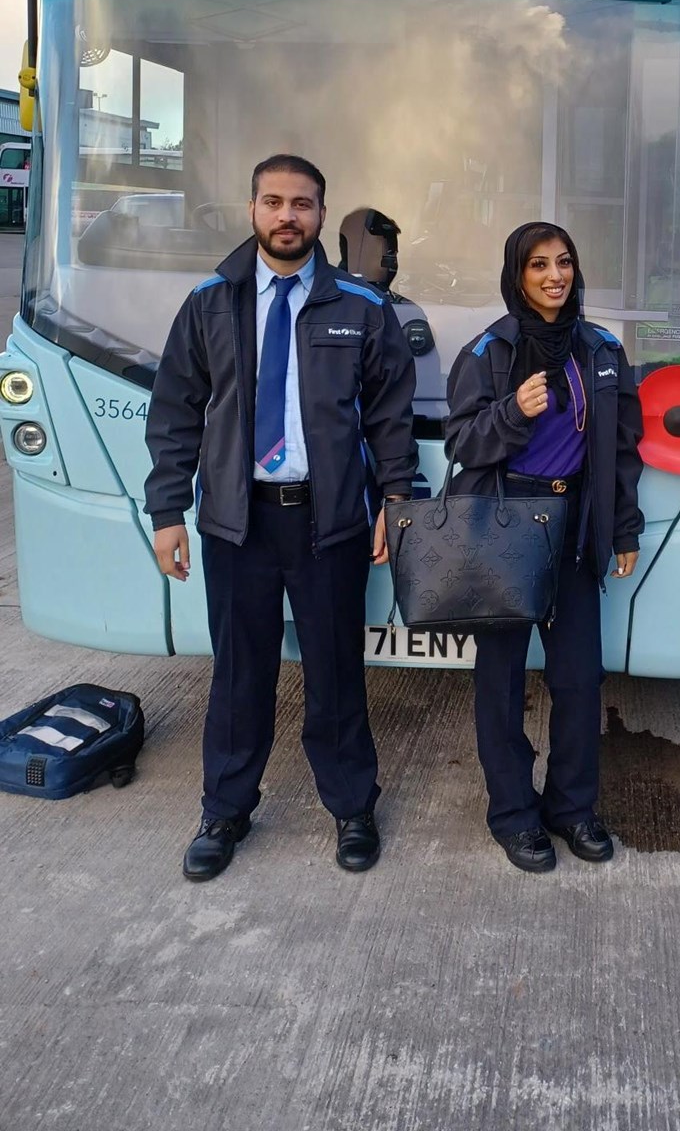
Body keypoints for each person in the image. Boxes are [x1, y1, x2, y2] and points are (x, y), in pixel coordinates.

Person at [144, 155, 417, 881]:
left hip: (328, 525)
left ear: (323, 216)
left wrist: (397, 499)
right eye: (273, 201)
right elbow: (174, 411)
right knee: (239, 675)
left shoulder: (361, 308)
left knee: (335, 673)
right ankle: (225, 810)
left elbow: (391, 417)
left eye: (302, 203)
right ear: (252, 208)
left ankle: (352, 807)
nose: (287, 215)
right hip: (237, 524)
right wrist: (168, 508)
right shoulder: (210, 302)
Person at [445, 222, 644, 873]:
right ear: (517, 276)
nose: (555, 275)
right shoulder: (488, 353)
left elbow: (619, 452)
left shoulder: (603, 350)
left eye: (564, 262)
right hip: (507, 526)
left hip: (576, 527)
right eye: (538, 265)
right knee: (501, 683)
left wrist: (622, 528)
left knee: (580, 680)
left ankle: (572, 809)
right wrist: (511, 412)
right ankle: (512, 815)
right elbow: (462, 445)